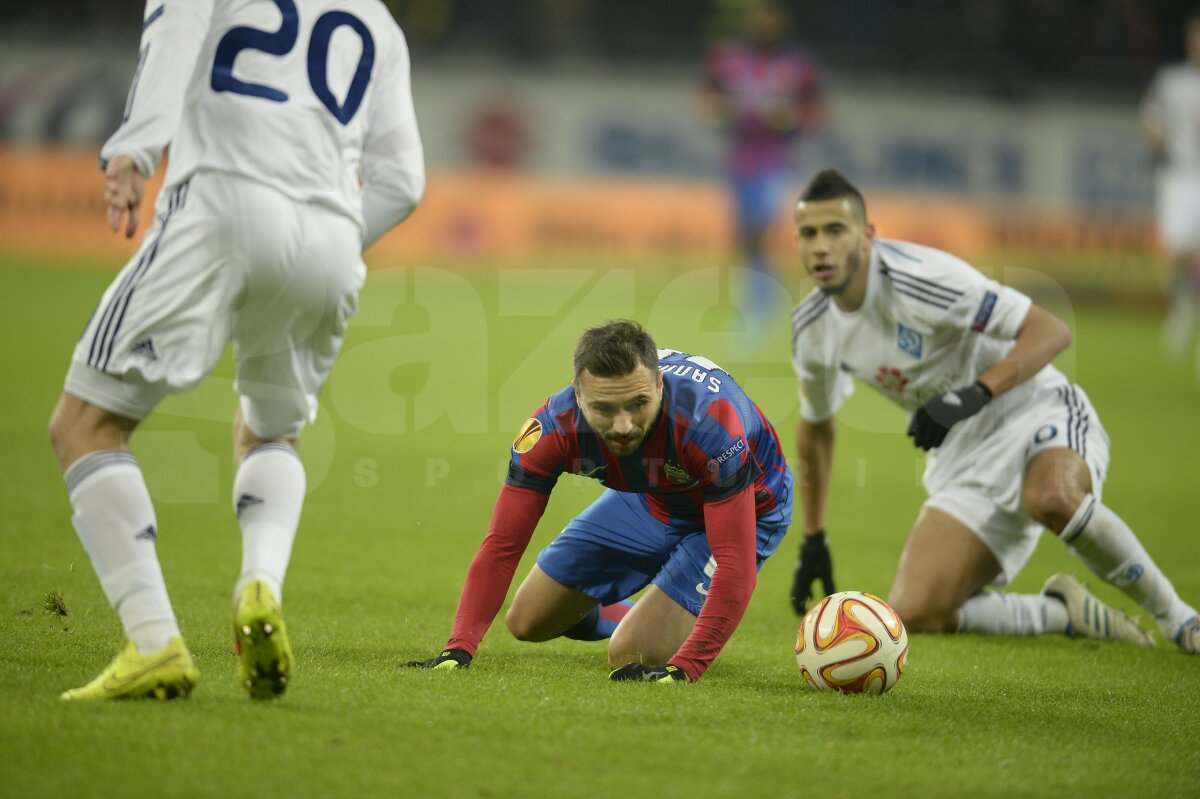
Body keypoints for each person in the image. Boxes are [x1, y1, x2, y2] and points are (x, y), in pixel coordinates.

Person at [47, 0, 425, 700]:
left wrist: (134, 149)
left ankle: (153, 640)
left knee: (84, 424)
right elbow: (405, 181)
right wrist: (332, 234)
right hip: (331, 239)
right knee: (270, 428)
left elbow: (172, 41)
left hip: (220, 203)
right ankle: (260, 582)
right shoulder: (376, 21)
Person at [787, 168, 1199, 654]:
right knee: (916, 612)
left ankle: (1180, 620)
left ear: (867, 236)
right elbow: (816, 428)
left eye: (836, 230)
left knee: (1051, 496)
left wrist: (972, 394)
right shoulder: (812, 326)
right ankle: (1060, 611)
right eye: (808, 234)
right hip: (963, 453)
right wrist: (814, 537)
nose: (820, 246)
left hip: (1032, 408)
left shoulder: (921, 278)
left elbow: (1049, 330)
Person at [406, 320, 793, 682]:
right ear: (578, 395)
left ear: (660, 385)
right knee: (527, 620)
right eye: (604, 409)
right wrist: (458, 649)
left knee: (629, 652)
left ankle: (667, 625)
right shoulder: (553, 430)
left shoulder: (708, 421)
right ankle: (651, 616)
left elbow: (734, 561)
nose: (623, 425)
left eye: (637, 404)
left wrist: (685, 668)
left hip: (750, 508)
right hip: (655, 500)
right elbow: (503, 545)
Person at [700, 0, 824, 334]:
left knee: (761, 230)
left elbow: (816, 111)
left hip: (777, 160)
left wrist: (789, 118)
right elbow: (708, 101)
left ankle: (759, 309)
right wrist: (724, 110)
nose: (764, 22)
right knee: (746, 236)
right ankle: (765, 301)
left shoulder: (799, 63)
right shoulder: (728, 58)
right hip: (740, 159)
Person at [1140, 11, 1200, 376]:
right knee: (1177, 251)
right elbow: (1149, 114)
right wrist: (1155, 140)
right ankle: (1182, 307)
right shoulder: (1172, 80)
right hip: (1178, 176)